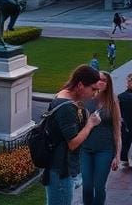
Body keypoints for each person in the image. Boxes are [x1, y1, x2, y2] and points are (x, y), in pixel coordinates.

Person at [43, 65, 103, 205]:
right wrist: (90, 124)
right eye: (93, 89)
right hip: (61, 170)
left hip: (61, 167)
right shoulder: (66, 107)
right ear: (80, 85)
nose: (94, 93)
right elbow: (73, 143)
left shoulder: (65, 95)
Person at [81, 70, 121, 205]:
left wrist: (117, 155)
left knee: (99, 187)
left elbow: (117, 129)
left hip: (105, 150)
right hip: (86, 149)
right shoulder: (87, 99)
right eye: (98, 79)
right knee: (86, 187)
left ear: (108, 84)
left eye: (104, 80)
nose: (100, 82)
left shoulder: (113, 100)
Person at [118, 73, 132, 168]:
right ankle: (124, 159)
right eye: (129, 80)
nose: (130, 82)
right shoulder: (121, 96)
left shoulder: (121, 96)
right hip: (126, 124)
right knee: (125, 141)